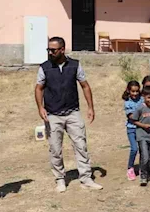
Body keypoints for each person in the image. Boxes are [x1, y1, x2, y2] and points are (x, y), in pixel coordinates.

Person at [35, 37, 102, 193]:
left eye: (53, 50)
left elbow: (85, 86)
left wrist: (90, 107)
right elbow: (38, 88)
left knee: (81, 145)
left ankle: (86, 178)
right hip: (52, 115)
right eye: (48, 50)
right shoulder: (44, 68)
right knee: (55, 148)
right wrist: (40, 108)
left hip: (73, 112)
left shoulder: (75, 65)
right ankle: (60, 179)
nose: (50, 53)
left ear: (62, 49)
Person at [122, 80, 142, 181]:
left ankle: (143, 168)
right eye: (133, 91)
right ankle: (130, 168)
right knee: (134, 148)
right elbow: (132, 117)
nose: (135, 94)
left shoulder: (142, 100)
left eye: (136, 91)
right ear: (129, 91)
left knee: (143, 149)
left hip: (141, 129)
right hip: (131, 129)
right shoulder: (127, 103)